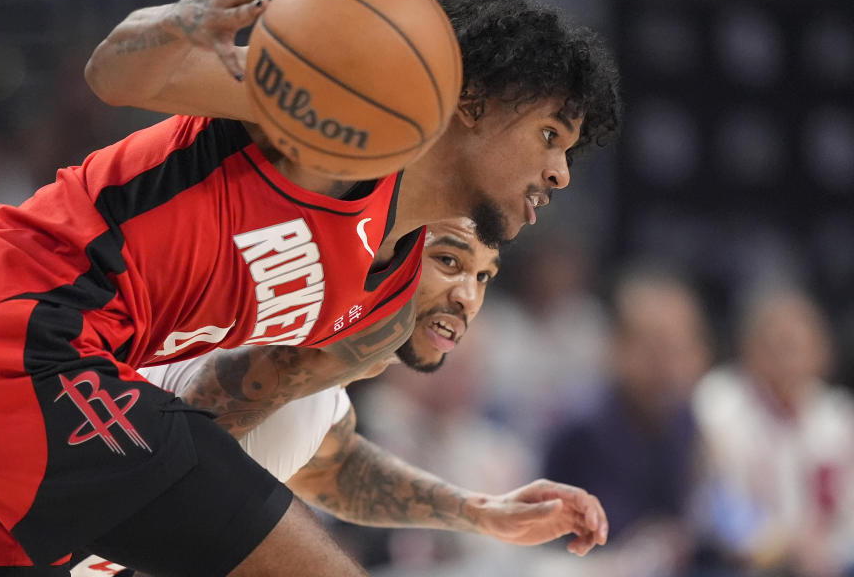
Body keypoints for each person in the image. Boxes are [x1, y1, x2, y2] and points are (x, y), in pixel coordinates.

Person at [0, 0, 620, 576]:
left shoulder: (382, 312)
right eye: (550, 136)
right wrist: (180, 25)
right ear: (472, 104)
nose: (559, 174)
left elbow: (307, 455)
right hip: (9, 330)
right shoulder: (330, 136)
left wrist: (479, 512)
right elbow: (115, 73)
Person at [72, 218, 607, 576]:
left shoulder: (320, 380)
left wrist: (483, 512)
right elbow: (173, 512)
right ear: (388, 257)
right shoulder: (281, 350)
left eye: (483, 277)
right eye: (449, 263)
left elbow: (331, 465)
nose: (468, 298)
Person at [541, 269, 711, 577]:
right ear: (618, 347)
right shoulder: (581, 426)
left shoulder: (684, 419)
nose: (669, 366)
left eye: (681, 349)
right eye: (656, 349)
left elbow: (688, 517)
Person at [693, 287, 854, 576]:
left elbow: (847, 513)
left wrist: (825, 551)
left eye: (796, 348)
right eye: (775, 347)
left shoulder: (838, 418)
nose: (786, 360)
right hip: (740, 560)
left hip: (824, 562)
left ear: (822, 354)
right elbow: (715, 502)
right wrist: (780, 545)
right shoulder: (718, 402)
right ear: (749, 351)